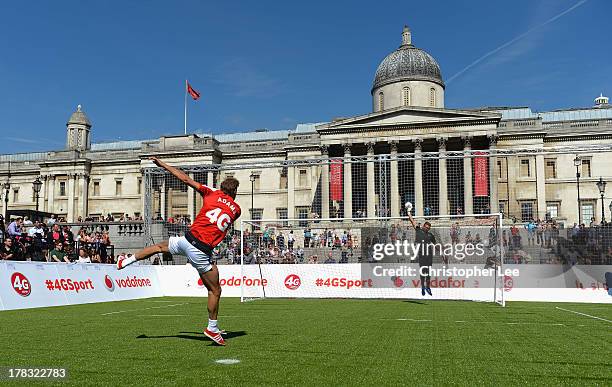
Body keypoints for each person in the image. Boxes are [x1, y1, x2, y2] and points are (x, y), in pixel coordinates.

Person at [117, 157, 241, 346]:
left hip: (187, 239)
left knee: (159, 246)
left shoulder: (211, 193)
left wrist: (162, 164)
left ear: (222, 188)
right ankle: (212, 329)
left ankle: (125, 261)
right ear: (235, 192)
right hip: (201, 250)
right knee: (215, 290)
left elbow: (185, 179)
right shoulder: (237, 210)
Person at [406, 206, 436, 296]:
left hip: (429, 255)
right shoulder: (418, 230)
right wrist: (408, 213)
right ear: (423, 226)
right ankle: (423, 287)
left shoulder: (430, 235)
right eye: (426, 227)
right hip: (421, 254)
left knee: (428, 272)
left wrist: (442, 251)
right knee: (423, 271)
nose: (426, 229)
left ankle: (428, 287)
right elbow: (412, 221)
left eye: (428, 228)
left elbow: (435, 244)